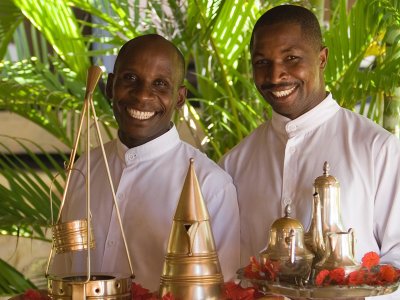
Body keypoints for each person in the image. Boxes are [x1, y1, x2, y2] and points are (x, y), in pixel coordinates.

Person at [219, 5, 400, 300]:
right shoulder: (234, 163)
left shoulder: (377, 149)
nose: (276, 74)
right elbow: (226, 265)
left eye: (291, 58)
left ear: (322, 59)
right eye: (262, 61)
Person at [51, 34, 240, 291]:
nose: (142, 96)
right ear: (109, 86)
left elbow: (221, 290)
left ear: (180, 97)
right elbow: (63, 272)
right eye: (130, 78)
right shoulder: (84, 167)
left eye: (160, 84)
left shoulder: (210, 186)